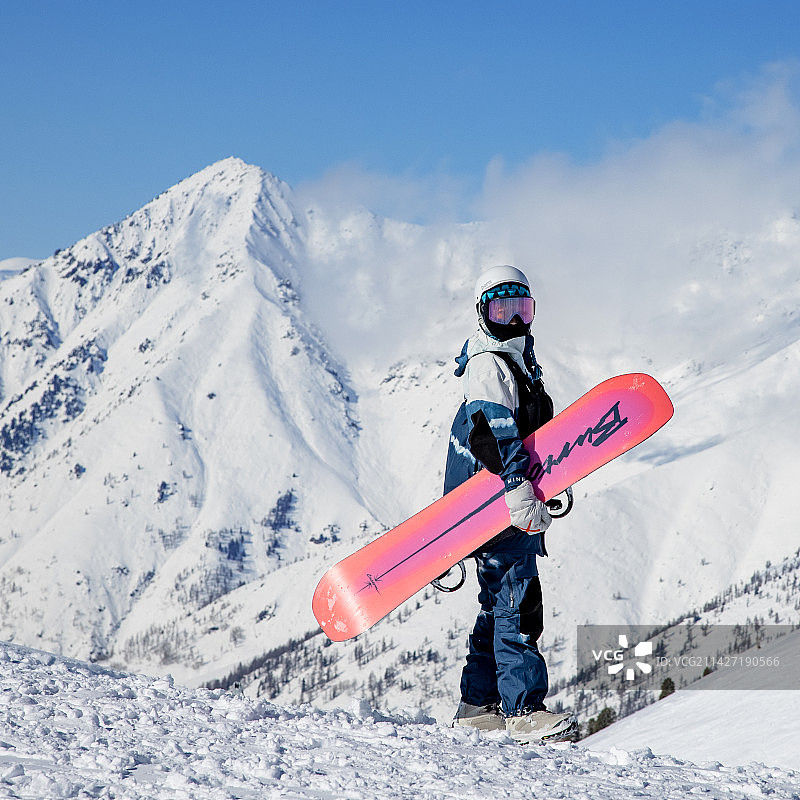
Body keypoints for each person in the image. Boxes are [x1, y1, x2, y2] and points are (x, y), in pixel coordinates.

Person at [443, 265, 576, 744]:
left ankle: (478, 706)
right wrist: (519, 486)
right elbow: (495, 433)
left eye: (522, 309)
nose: (515, 321)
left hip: (502, 501)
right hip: (499, 502)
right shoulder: (488, 364)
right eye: (503, 310)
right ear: (484, 314)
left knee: (500, 600)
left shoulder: (516, 360)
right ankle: (523, 711)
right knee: (517, 604)